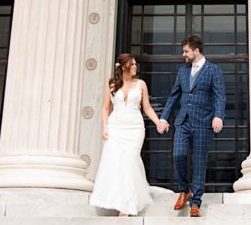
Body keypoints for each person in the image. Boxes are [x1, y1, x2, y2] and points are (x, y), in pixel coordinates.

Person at [89, 53, 168, 217]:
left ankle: (128, 204)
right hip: (116, 126)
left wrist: (158, 122)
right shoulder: (112, 84)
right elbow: (105, 108)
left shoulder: (141, 84)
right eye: (132, 64)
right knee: (116, 163)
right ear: (124, 66)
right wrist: (105, 127)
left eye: (135, 64)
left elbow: (146, 107)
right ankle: (120, 202)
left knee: (130, 161)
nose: (135, 67)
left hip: (135, 128)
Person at [159, 34, 226, 218]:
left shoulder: (213, 70)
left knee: (198, 162)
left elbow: (220, 95)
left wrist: (218, 116)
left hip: (203, 122)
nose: (184, 54)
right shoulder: (182, 71)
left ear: (196, 51)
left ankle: (195, 202)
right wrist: (164, 118)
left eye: (186, 51)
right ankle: (184, 190)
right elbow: (174, 96)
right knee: (178, 155)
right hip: (183, 121)